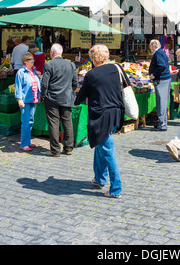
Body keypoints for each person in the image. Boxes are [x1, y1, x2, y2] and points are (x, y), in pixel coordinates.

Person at [75, 44, 126, 198]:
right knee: (100, 145)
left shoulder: (92, 75)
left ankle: (116, 188)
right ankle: (99, 178)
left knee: (108, 151)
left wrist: (75, 99)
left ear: (93, 58)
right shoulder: (118, 68)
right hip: (116, 113)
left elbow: (81, 96)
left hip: (101, 115)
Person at [41, 43, 78, 157]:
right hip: (66, 97)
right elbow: (75, 82)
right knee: (67, 122)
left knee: (54, 123)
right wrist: (69, 91)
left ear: (52, 53)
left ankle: (55, 150)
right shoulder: (70, 64)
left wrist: (43, 95)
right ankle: (68, 148)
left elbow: (44, 83)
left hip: (52, 98)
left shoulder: (49, 65)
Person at [15, 52, 41, 152]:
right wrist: (19, 99)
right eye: (31, 59)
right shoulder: (21, 72)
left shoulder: (33, 71)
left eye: (33, 59)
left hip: (33, 99)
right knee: (26, 122)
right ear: (25, 62)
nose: (33, 61)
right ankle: (24, 143)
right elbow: (18, 86)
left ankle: (27, 141)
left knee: (31, 121)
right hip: (25, 100)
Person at [149, 39, 171, 131]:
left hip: (161, 79)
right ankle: (162, 122)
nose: (149, 48)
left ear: (153, 45)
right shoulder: (161, 52)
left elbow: (162, 66)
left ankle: (162, 124)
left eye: (150, 45)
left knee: (161, 102)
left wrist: (154, 74)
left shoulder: (158, 53)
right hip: (164, 79)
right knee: (163, 101)